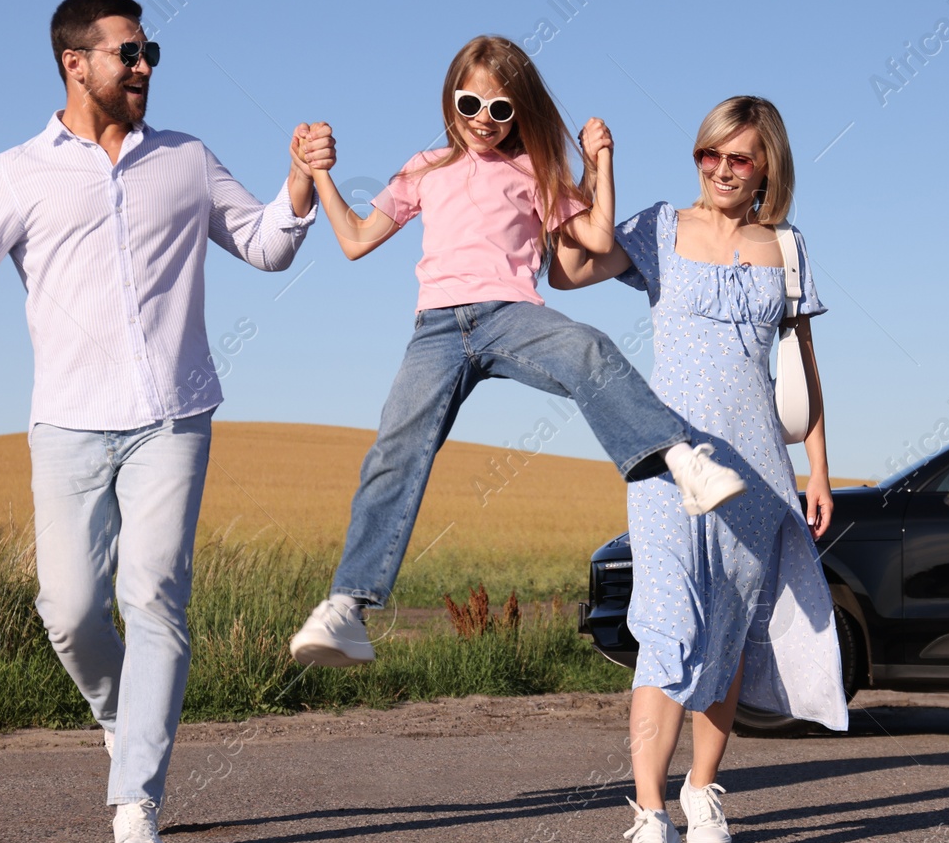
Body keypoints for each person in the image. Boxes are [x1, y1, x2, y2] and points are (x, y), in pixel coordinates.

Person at [0, 0, 331, 843]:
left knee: (153, 596)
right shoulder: (16, 172)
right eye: (128, 53)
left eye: (150, 51)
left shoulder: (187, 159)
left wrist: (300, 184)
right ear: (73, 63)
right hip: (69, 422)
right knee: (71, 609)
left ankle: (136, 804)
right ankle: (133, 729)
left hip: (173, 413)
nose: (145, 67)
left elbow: (267, 244)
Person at [286, 35, 747, 667]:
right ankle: (346, 608)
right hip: (437, 330)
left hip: (510, 315)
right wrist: (320, 174)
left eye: (500, 110)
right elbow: (356, 239)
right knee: (396, 447)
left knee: (590, 349)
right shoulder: (423, 167)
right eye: (469, 101)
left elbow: (596, 236)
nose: (482, 119)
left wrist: (600, 163)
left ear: (518, 114)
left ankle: (681, 459)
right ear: (451, 97)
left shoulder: (534, 171)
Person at [549, 96, 849, 843]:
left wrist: (818, 467)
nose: (720, 169)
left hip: (758, 472)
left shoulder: (785, 249)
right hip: (668, 464)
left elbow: (803, 367)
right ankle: (650, 816)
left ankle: (704, 787)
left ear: (766, 167)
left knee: (727, 635)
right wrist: (595, 172)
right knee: (668, 627)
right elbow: (568, 269)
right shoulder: (659, 228)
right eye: (708, 155)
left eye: (738, 158)